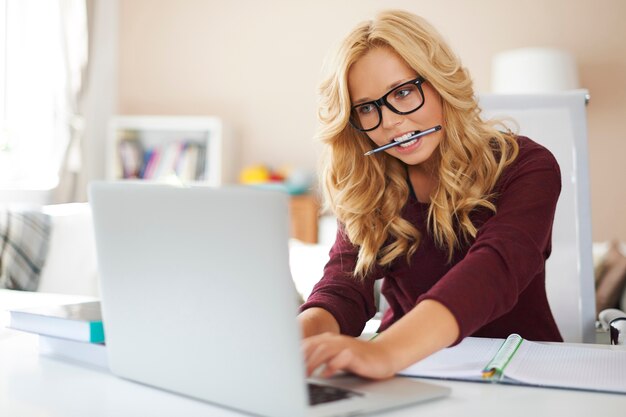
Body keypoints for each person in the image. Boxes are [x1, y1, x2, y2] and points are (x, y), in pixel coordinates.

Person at [298, 9, 563, 381]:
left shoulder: (528, 165)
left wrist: (386, 352)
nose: (390, 122)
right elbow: (342, 289)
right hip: (412, 371)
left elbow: (494, 271)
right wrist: (295, 338)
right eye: (367, 108)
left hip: (518, 374)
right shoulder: (368, 184)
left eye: (404, 93)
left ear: (440, 83)